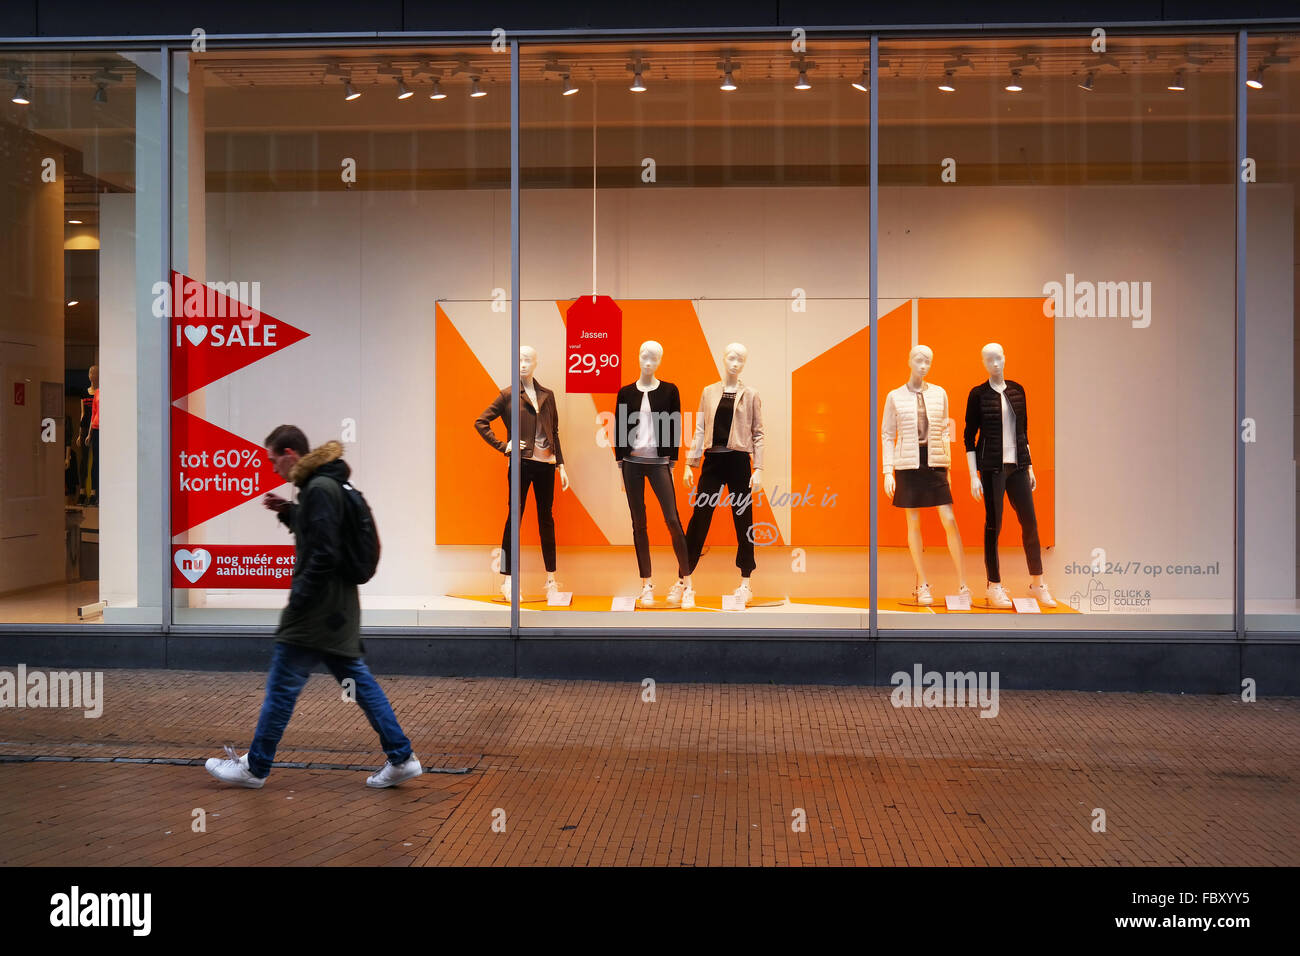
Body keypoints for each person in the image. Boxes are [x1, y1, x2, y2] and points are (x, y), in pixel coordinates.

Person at [204, 424, 422, 789]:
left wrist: (299, 598)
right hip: (337, 609)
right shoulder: (325, 485)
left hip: (317, 611)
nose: (273, 469)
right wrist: (290, 512)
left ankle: (255, 767)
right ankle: (401, 757)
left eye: (274, 460)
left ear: (290, 455)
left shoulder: (319, 489)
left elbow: (323, 551)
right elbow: (324, 533)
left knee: (282, 687)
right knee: (359, 684)